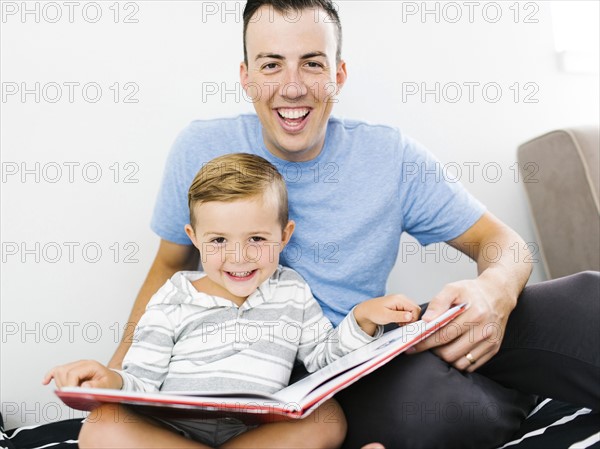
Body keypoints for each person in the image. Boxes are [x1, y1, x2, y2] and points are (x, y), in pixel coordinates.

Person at [42, 153, 422, 449]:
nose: (239, 257)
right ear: (194, 237)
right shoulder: (176, 294)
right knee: (101, 428)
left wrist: (364, 317)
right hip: (173, 434)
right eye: (219, 241)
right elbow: (143, 381)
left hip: (252, 435)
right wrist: (109, 379)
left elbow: (323, 359)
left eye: (256, 239)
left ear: (284, 235)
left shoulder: (291, 289)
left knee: (329, 419)